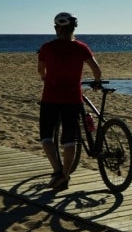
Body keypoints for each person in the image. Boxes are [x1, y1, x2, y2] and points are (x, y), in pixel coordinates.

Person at [37, 12, 102, 191]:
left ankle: (58, 171)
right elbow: (97, 70)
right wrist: (96, 81)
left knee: (46, 136)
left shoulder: (47, 48)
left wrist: (45, 78)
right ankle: (65, 175)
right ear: (73, 29)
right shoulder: (81, 47)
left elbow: (41, 70)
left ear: (57, 29)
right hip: (73, 99)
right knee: (69, 139)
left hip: (50, 98)